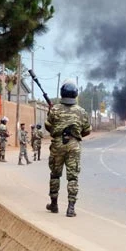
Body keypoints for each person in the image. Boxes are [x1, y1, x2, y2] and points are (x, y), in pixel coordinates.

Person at [45, 80, 91, 217]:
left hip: (58, 144)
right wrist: (77, 135)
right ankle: (71, 208)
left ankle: (54, 204)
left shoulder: (55, 109)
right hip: (74, 145)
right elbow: (87, 130)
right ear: (75, 94)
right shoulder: (81, 111)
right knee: (73, 178)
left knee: (54, 174)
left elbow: (48, 126)